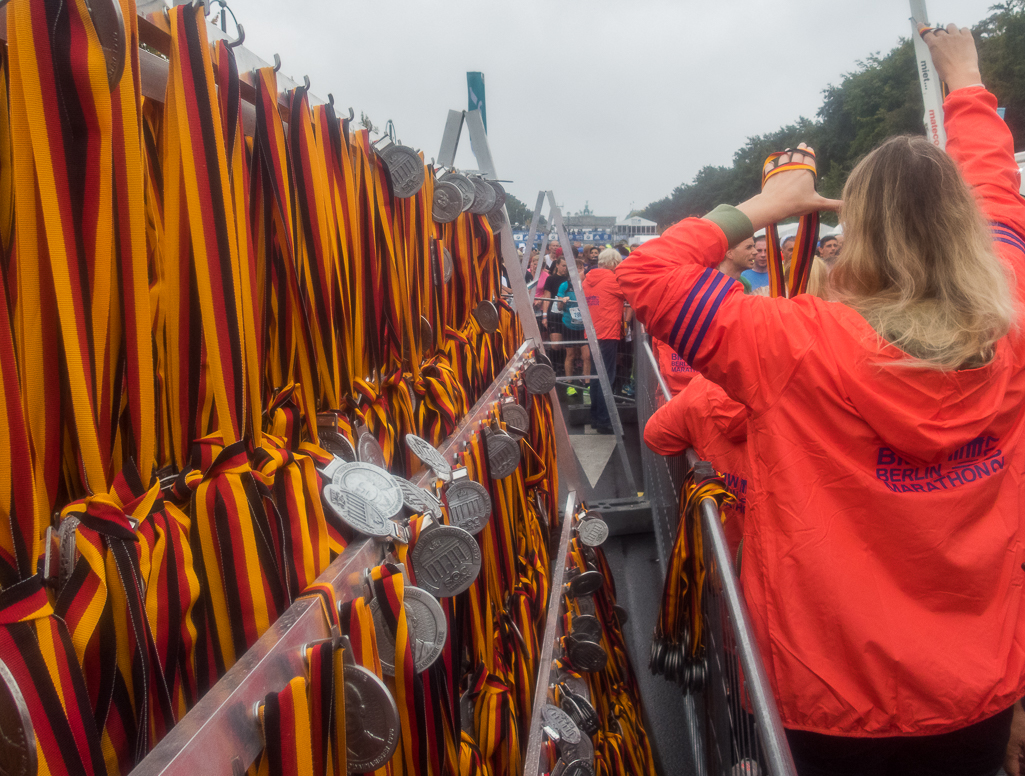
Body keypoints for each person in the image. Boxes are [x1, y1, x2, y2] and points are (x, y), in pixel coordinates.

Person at [618, 26, 1025, 776]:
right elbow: (997, 187)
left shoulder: (792, 343)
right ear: (963, 227)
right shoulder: (1010, 317)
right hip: (979, 693)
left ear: (857, 232)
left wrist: (767, 203)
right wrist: (965, 79)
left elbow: (645, 276)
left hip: (828, 703)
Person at [583, 248, 631, 433]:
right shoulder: (612, 280)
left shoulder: (588, 279)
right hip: (608, 332)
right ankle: (603, 420)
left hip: (592, 332)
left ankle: (596, 416)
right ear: (614, 264)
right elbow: (630, 294)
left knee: (596, 377)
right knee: (606, 377)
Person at [557, 259, 591, 388]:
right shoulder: (564, 286)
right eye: (576, 269)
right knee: (570, 355)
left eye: (581, 268)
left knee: (587, 356)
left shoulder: (587, 285)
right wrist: (563, 301)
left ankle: (586, 384)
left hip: (584, 327)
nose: (578, 271)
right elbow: (559, 307)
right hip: (569, 325)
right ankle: (570, 384)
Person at [541, 256, 568, 348]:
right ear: (557, 265)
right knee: (556, 345)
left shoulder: (570, 280)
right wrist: (544, 316)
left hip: (568, 314)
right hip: (554, 314)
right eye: (563, 265)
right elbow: (546, 297)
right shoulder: (551, 279)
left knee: (569, 345)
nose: (565, 268)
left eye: (567, 266)